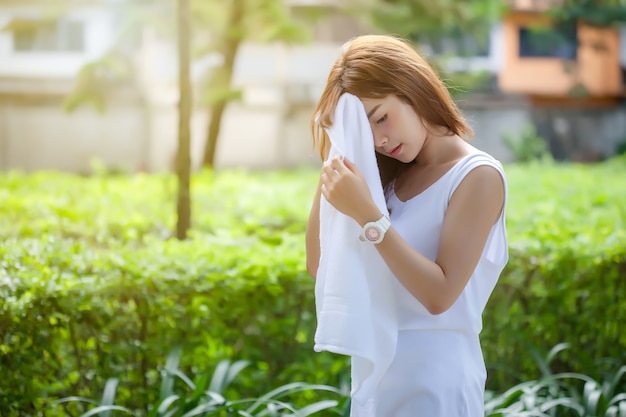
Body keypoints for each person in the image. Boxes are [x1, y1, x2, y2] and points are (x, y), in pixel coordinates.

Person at [305, 35, 508, 416]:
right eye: (365, 132)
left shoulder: (477, 176)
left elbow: (439, 295)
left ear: (412, 87)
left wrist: (368, 216)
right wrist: (340, 152)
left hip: (437, 386)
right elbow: (319, 266)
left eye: (381, 117)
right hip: (374, 386)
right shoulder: (387, 180)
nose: (380, 140)